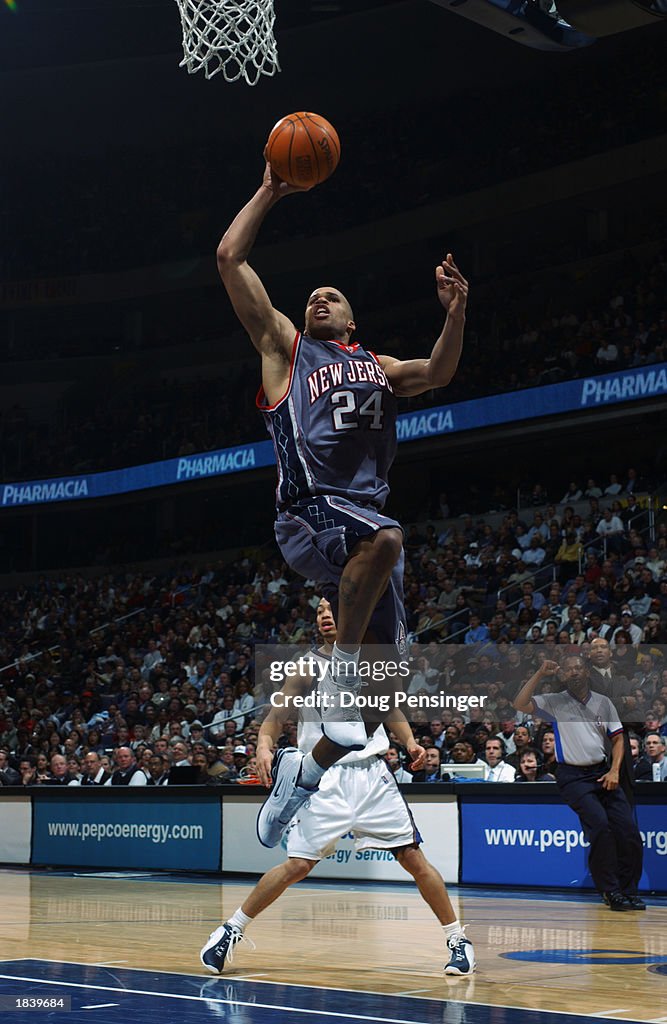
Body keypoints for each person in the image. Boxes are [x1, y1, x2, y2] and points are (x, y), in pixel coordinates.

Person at [216, 158, 468, 846]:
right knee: (386, 538)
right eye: (311, 298)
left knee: (383, 697)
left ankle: (300, 775)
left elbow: (440, 371)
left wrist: (456, 313)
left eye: (330, 296)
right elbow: (228, 257)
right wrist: (268, 188)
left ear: (352, 318)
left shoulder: (378, 367)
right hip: (309, 508)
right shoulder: (285, 348)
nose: (317, 300)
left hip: (357, 527)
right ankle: (338, 677)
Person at [200, 599, 475, 977]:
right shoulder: (307, 666)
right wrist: (263, 747)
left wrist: (410, 742)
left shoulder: (373, 663)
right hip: (323, 777)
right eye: (318, 611)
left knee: (413, 858)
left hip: (371, 775)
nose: (325, 616)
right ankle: (229, 931)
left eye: (333, 609)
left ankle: (458, 940)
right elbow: (276, 716)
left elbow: (391, 709)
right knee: (297, 865)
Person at [513, 655, 644, 910]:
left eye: (578, 668)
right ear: (563, 675)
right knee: (601, 826)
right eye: (569, 669)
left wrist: (615, 771)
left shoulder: (604, 703)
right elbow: (520, 703)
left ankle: (629, 890)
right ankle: (610, 891)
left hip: (603, 772)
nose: (574, 672)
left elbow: (618, 739)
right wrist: (540, 674)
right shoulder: (554, 701)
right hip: (573, 776)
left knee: (628, 831)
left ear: (586, 672)